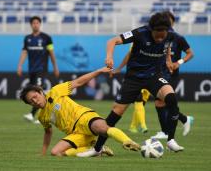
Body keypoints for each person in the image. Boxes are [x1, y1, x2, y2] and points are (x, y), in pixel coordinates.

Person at [77, 12, 185, 157]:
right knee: (114, 115)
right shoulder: (140, 33)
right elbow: (112, 41)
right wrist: (109, 56)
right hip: (134, 78)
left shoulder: (171, 35)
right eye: (157, 35)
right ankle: (97, 149)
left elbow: (167, 48)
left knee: (171, 98)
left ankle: (171, 140)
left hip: (154, 76)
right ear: (151, 29)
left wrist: (168, 61)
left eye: (163, 35)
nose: (160, 38)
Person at [20, 67, 140, 157]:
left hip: (84, 118)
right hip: (75, 134)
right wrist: (43, 152)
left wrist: (98, 72)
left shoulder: (56, 91)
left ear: (41, 92)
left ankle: (127, 141)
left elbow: (78, 82)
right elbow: (48, 132)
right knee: (56, 153)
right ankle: (96, 149)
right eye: (31, 101)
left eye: (35, 96)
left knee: (102, 128)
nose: (35, 101)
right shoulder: (42, 117)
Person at [151, 11, 194, 139]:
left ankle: (166, 131)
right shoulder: (158, 36)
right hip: (159, 73)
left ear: (172, 22)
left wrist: (178, 62)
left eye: (167, 20)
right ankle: (182, 120)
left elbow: (190, 53)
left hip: (171, 75)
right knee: (160, 103)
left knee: (163, 102)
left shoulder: (178, 38)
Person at [17, 16, 59, 124]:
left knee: (38, 89)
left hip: (42, 69)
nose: (35, 25)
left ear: (40, 24)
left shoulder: (46, 38)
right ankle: (44, 114)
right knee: (33, 92)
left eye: (37, 23)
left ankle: (33, 114)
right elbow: (24, 52)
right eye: (33, 23)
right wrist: (20, 65)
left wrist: (55, 67)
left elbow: (51, 53)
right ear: (31, 25)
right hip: (32, 70)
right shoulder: (27, 38)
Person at [111, 50, 149, 134]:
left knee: (142, 103)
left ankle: (133, 126)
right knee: (138, 100)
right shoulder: (138, 40)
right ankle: (143, 125)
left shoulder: (159, 43)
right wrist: (120, 68)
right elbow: (129, 54)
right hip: (137, 76)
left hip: (151, 75)